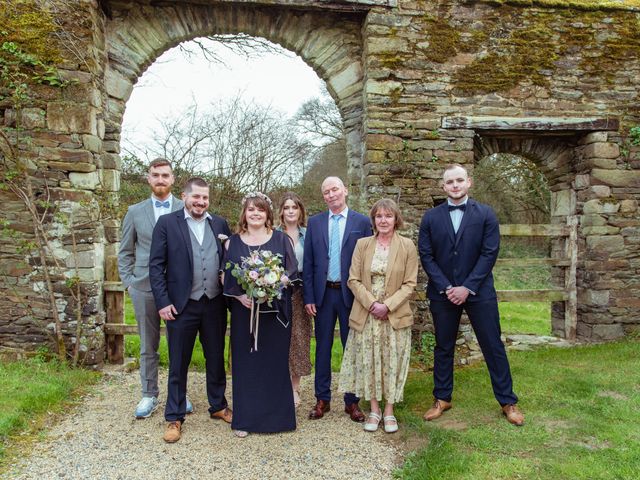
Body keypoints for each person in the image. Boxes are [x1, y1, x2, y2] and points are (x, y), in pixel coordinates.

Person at [418, 164, 524, 426]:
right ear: (443, 187)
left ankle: (507, 401)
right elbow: (426, 255)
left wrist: (467, 287)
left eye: (459, 181)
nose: (455, 185)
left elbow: (490, 253)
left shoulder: (486, 214)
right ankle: (442, 397)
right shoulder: (431, 218)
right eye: (450, 182)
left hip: (479, 292)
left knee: (493, 345)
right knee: (444, 346)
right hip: (443, 293)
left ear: (469, 183)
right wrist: (446, 286)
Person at [149, 177, 233, 443]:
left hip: (214, 303)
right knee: (178, 362)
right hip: (181, 306)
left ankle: (218, 405)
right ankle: (174, 416)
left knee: (216, 359)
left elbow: (228, 261)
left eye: (205, 198)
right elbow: (155, 266)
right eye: (196, 197)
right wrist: (163, 302)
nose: (201, 202)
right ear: (185, 197)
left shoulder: (219, 224)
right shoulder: (167, 223)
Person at [118, 158, 194, 419]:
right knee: (148, 344)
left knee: (179, 344)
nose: (160, 179)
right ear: (148, 178)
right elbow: (125, 251)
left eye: (165, 175)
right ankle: (149, 394)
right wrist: (129, 282)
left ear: (173, 179)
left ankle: (178, 395)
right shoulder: (135, 212)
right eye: (155, 175)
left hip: (178, 289)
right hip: (144, 288)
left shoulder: (185, 208)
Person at [339, 198, 418, 433]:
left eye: (388, 216)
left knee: (392, 361)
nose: (383, 220)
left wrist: (388, 306)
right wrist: (373, 303)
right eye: (379, 216)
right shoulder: (362, 244)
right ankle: (373, 410)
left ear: (396, 219)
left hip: (394, 315)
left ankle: (389, 411)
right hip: (367, 313)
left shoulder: (407, 246)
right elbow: (353, 279)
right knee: (370, 361)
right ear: (373, 220)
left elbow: (410, 283)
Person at [222, 192, 298, 438]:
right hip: (244, 314)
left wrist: (273, 287)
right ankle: (246, 419)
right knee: (246, 365)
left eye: (261, 210)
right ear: (244, 213)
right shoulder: (232, 242)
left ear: (268, 214)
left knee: (274, 364)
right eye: (251, 209)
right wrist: (239, 296)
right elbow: (225, 275)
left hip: (274, 313)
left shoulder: (281, 239)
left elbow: (292, 272)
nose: (256, 213)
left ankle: (278, 419)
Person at [303, 176, 373, 422]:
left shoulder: (362, 222)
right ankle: (322, 399)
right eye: (326, 192)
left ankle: (352, 401)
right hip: (323, 295)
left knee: (350, 347)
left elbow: (367, 262)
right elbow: (309, 262)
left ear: (345, 190)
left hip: (350, 295)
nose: (331, 194)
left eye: (335, 189)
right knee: (322, 347)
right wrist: (309, 296)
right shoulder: (315, 222)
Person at [276, 192, 311, 408]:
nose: (290, 211)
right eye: (287, 207)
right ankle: (278, 385)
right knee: (280, 339)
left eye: (294, 207)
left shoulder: (309, 234)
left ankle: (295, 389)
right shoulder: (273, 235)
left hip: (301, 293)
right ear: (281, 211)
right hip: (279, 292)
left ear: (300, 211)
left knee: (299, 339)